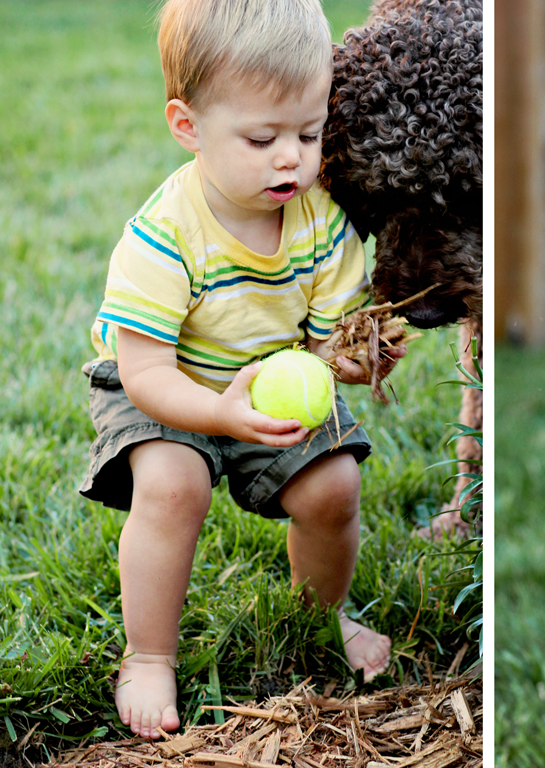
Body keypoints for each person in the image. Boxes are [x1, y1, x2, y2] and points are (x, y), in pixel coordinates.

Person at [78, 0, 398, 741]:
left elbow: (328, 348)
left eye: (309, 133)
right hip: (166, 388)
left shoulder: (323, 222)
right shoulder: (163, 236)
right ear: (187, 126)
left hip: (264, 385)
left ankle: (325, 615)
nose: (291, 156)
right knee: (173, 484)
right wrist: (217, 414)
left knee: (334, 484)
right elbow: (144, 370)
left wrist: (357, 358)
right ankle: (149, 654)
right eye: (262, 138)